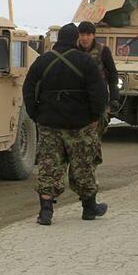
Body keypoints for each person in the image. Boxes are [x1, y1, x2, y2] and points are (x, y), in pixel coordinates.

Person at [23, 23, 108, 225]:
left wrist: (36, 114)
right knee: (84, 165)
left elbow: (28, 89)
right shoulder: (85, 61)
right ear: (75, 39)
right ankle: (89, 208)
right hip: (80, 124)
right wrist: (95, 116)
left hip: (48, 123)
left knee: (49, 166)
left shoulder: (42, 61)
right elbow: (99, 92)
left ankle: (45, 211)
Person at [77, 21, 121, 128]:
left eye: (88, 35)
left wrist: (114, 97)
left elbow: (113, 74)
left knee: (97, 130)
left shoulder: (103, 50)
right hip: (77, 97)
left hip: (98, 96)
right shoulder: (73, 50)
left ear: (93, 36)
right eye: (82, 35)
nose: (85, 38)